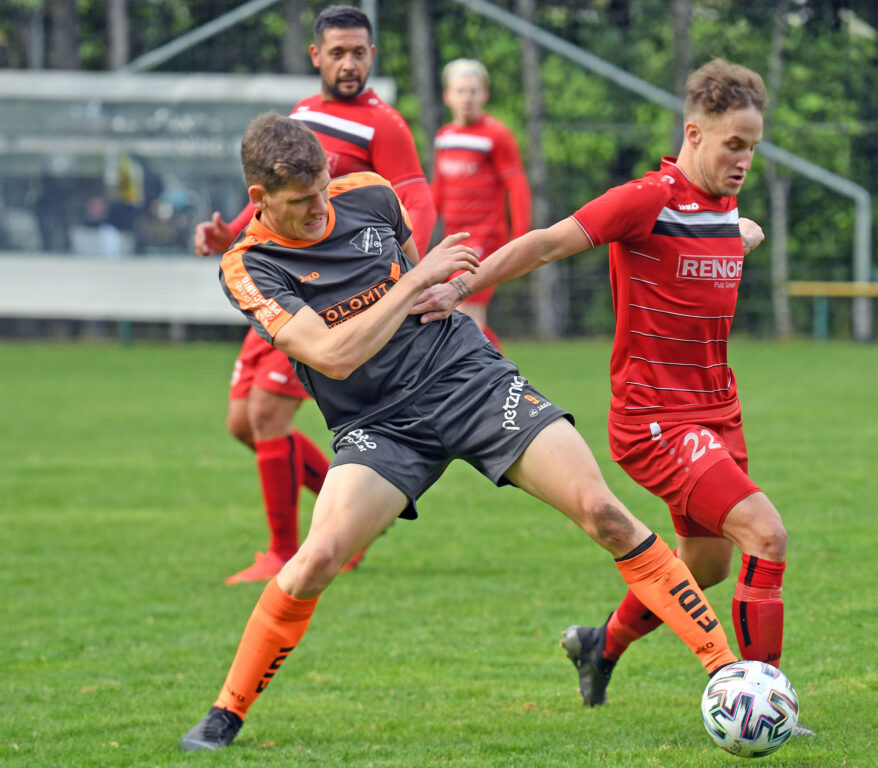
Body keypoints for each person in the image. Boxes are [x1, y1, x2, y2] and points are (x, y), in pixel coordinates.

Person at [179, 112, 743, 751]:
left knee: (604, 513)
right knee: (316, 560)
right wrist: (417, 278)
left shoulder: (368, 194)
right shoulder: (250, 265)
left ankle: (730, 677)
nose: (318, 209)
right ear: (259, 200)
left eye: (322, 189)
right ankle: (226, 712)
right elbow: (333, 356)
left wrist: (422, 284)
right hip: (378, 425)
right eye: (299, 203)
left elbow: (420, 305)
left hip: (467, 380)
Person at [412, 59, 812, 733]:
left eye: (753, 147)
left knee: (705, 567)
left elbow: (716, 234)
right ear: (694, 134)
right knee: (765, 536)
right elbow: (545, 244)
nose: (744, 160)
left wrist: (738, 231)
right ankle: (763, 705)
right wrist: (460, 288)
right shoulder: (645, 199)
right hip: (655, 420)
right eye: (733, 146)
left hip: (719, 415)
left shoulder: (721, 206)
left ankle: (601, 645)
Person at [193, 5, 437, 583]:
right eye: (338, 53)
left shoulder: (386, 124)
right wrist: (229, 233)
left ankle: (283, 552)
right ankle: (365, 506)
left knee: (267, 417)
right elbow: (275, 200)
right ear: (316, 57)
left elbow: (416, 201)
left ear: (372, 56)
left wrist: (409, 276)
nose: (349, 64)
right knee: (241, 423)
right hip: (282, 280)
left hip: (331, 296)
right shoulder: (302, 116)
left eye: (359, 53)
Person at [431, 58, 532, 353]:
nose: (467, 97)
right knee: (460, 315)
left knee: (462, 307)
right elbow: (438, 188)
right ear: (447, 96)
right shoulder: (444, 137)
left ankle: (493, 380)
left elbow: (517, 185)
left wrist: (522, 235)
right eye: (460, 91)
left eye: (473, 91)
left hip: (485, 236)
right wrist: (413, 227)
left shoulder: (496, 135)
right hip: (455, 239)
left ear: (484, 95)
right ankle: (498, 376)